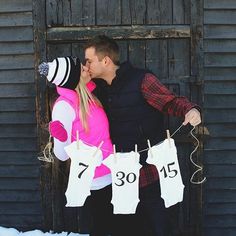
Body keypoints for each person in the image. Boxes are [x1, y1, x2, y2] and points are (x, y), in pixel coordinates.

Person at [83, 35, 202, 236]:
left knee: (158, 227)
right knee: (127, 229)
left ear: (105, 60)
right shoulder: (97, 88)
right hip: (119, 176)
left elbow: (170, 101)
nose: (86, 66)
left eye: (89, 61)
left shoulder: (141, 80)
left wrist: (190, 109)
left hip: (148, 172)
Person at [38, 56, 114, 236]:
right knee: (100, 229)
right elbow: (62, 155)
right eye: (81, 69)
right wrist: (60, 136)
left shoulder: (88, 96)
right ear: (73, 78)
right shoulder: (64, 106)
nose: (86, 68)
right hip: (93, 180)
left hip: (111, 173)